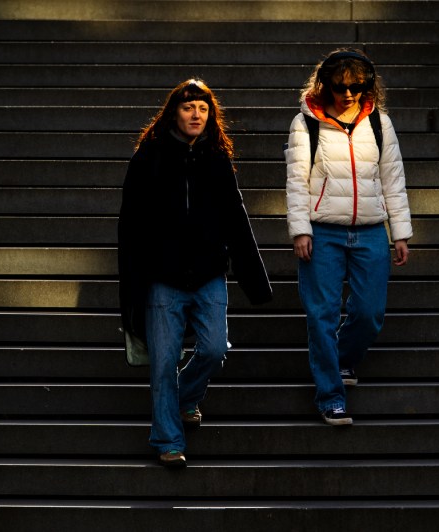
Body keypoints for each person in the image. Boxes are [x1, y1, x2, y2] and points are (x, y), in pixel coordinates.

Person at [118, 79, 272, 467]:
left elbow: (236, 218)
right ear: (175, 111)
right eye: (189, 108)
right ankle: (168, 439)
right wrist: (133, 284)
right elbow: (130, 224)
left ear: (210, 115)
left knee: (215, 349)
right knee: (164, 360)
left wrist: (254, 280)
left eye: (203, 108)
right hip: (162, 278)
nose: (196, 115)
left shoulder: (216, 158)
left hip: (208, 274)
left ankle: (186, 398)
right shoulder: (148, 156)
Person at [284, 49, 412, 426]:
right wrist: (300, 230)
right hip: (322, 232)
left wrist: (400, 232)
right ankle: (330, 396)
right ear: (325, 85)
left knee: (369, 313)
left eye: (357, 86)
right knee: (321, 314)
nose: (348, 93)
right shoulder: (305, 123)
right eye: (340, 86)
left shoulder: (379, 124)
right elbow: (296, 182)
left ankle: (342, 358)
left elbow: (393, 178)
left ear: (368, 86)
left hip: (371, 230)